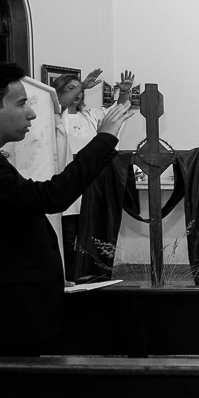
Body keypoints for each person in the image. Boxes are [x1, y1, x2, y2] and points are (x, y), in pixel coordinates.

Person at [0, 60, 136, 354]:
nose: (32, 112)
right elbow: (49, 196)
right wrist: (104, 140)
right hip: (1, 315)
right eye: (22, 103)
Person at [53, 68, 135, 280]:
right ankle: (71, 278)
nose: (78, 93)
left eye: (79, 88)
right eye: (71, 88)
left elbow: (116, 116)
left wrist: (124, 93)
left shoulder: (90, 117)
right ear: (58, 92)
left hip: (92, 186)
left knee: (92, 235)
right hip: (68, 185)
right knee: (69, 239)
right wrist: (83, 85)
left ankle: (93, 277)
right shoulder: (55, 118)